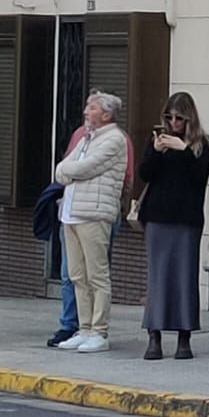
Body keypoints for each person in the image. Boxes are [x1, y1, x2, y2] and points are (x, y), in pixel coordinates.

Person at [48, 93, 136, 348]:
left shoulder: (114, 139)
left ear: (106, 115)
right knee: (77, 275)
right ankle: (84, 328)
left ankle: (99, 331)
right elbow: (62, 168)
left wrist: (68, 171)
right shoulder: (87, 137)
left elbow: (85, 167)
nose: (86, 111)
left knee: (97, 275)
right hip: (71, 213)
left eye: (92, 107)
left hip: (94, 214)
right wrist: (67, 171)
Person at [138, 92, 209, 361]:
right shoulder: (157, 140)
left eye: (179, 118)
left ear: (189, 118)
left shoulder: (200, 144)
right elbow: (145, 173)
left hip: (186, 219)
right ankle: (154, 336)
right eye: (168, 117)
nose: (173, 123)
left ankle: (184, 336)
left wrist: (184, 151)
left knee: (185, 278)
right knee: (157, 278)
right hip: (158, 217)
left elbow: (200, 178)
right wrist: (157, 152)